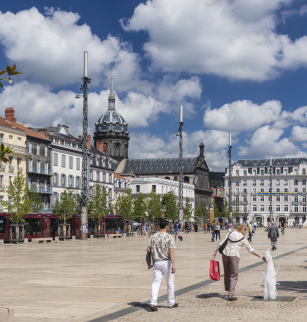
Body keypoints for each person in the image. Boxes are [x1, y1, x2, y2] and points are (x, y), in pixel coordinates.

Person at [212, 225, 267, 301]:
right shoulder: (242, 238)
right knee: (234, 275)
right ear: (243, 230)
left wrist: (215, 252)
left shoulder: (230, 234)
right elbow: (251, 250)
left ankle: (228, 289)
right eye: (245, 231)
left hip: (225, 255)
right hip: (234, 256)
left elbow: (221, 243)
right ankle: (230, 294)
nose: (245, 233)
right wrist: (261, 257)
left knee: (227, 273)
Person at [147, 219, 178, 311]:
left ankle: (153, 302)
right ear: (167, 226)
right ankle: (171, 302)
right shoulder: (169, 237)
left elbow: (148, 249)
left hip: (157, 262)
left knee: (156, 282)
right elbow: (171, 251)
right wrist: (173, 264)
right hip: (167, 262)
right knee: (170, 283)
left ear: (159, 226)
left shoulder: (153, 236)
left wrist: (155, 251)